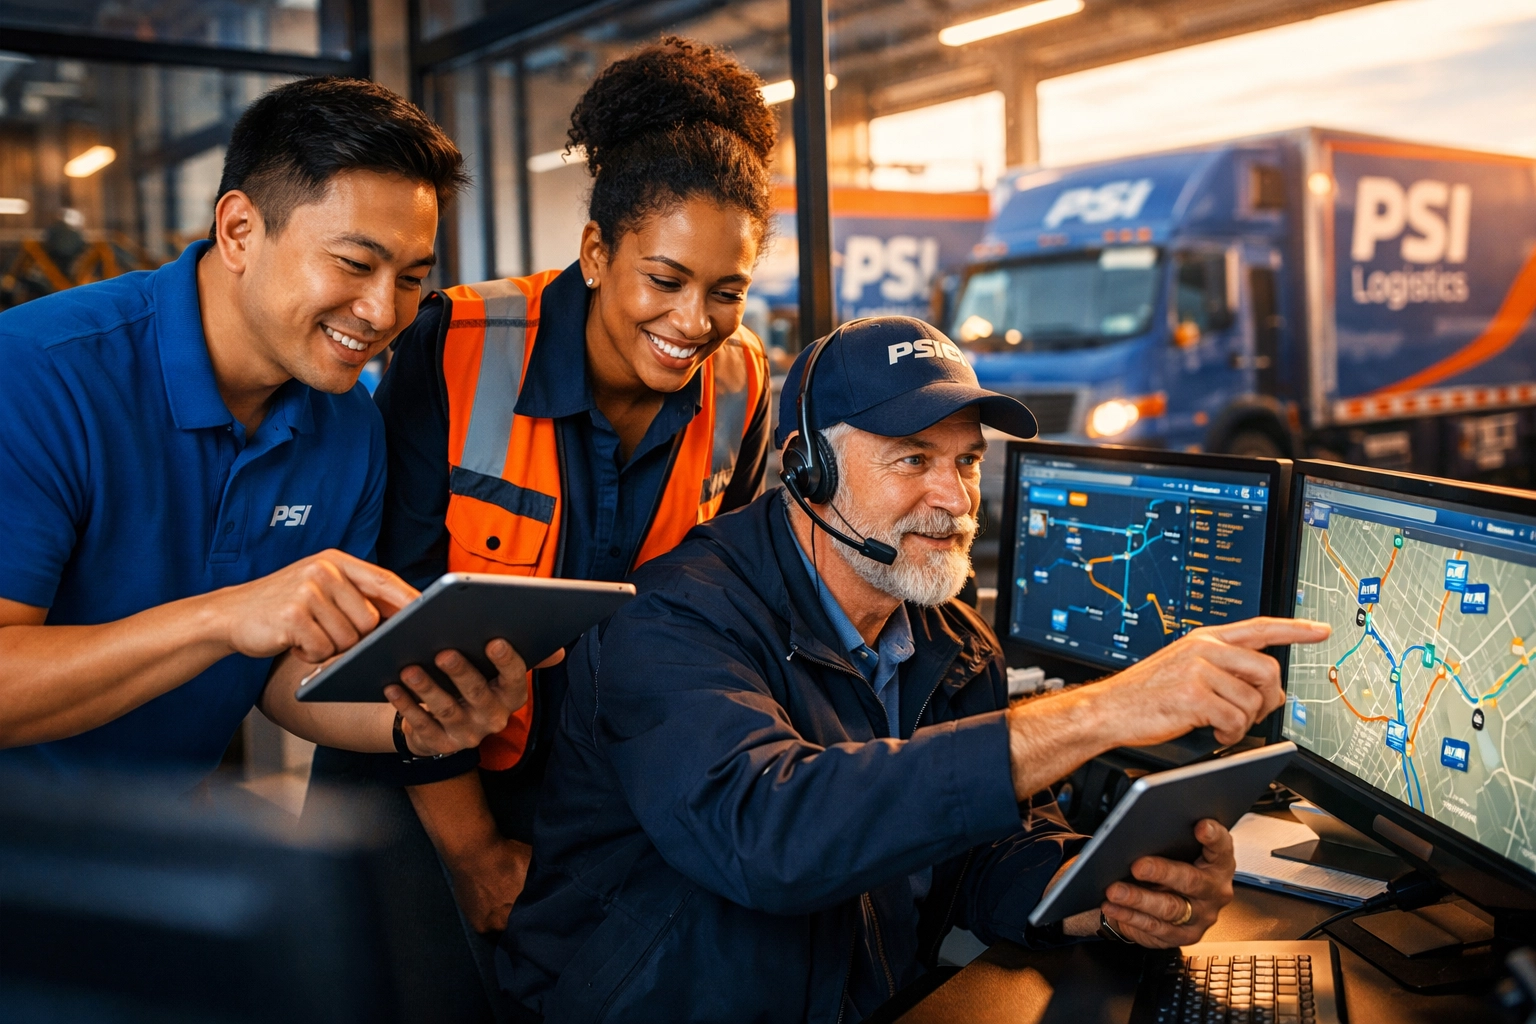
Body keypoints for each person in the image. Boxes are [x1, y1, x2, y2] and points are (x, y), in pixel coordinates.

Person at [499, 315, 1332, 1022]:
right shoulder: (672, 618)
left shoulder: (952, 643)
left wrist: (1101, 895)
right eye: (913, 460)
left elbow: (984, 854)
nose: (957, 498)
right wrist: (1101, 712)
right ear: (806, 470)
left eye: (966, 461)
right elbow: (768, 833)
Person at [307, 31, 775, 974]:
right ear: (598, 251)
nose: (695, 323)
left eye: (727, 291)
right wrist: (472, 850)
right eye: (667, 280)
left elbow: (717, 607)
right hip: (415, 795)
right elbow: (382, 618)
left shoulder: (743, 382)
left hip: (604, 806)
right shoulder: (456, 343)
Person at [0, 77, 532, 787]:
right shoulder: (36, 372)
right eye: (354, 263)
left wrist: (416, 724)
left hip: (154, 843)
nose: (382, 312)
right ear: (240, 230)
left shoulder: (348, 425)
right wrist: (224, 617)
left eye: (410, 277)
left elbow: (285, 675)